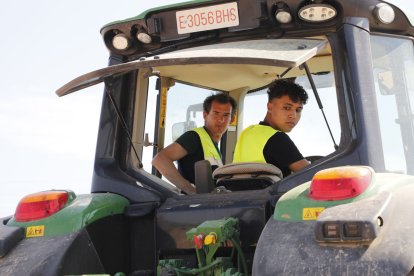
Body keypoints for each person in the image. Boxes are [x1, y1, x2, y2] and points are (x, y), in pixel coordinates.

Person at [152, 93, 237, 194]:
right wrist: (190, 190)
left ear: (232, 119)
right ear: (205, 115)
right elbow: (159, 160)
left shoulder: (213, 146)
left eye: (226, 115)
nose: (221, 119)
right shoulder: (194, 137)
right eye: (216, 113)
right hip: (194, 206)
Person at [233, 79, 309, 177]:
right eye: (287, 108)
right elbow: (311, 175)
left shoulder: (247, 132)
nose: (293, 115)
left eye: (298, 110)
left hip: (242, 192)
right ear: (270, 107)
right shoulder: (277, 138)